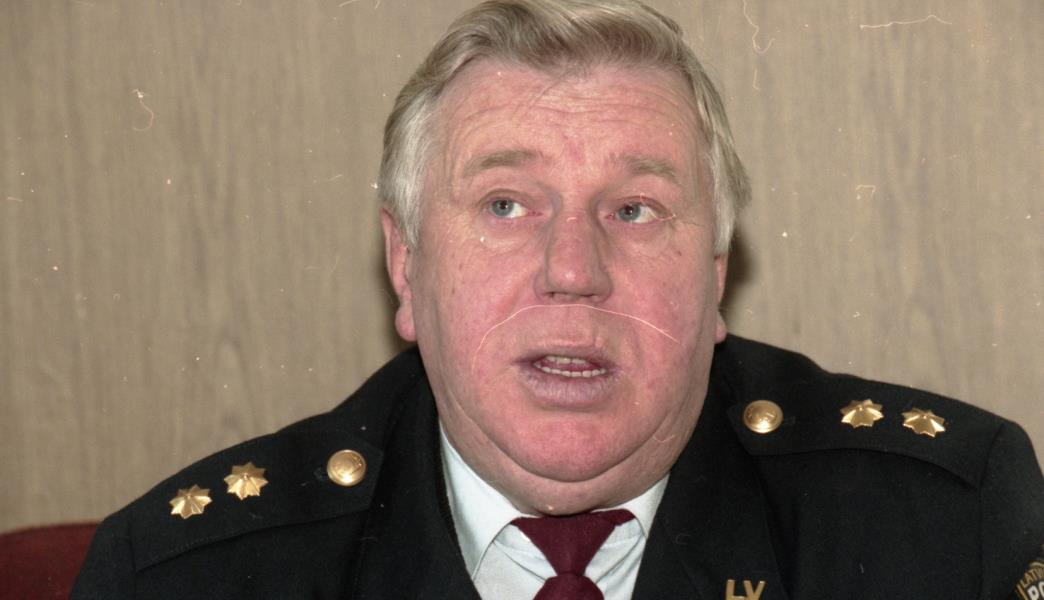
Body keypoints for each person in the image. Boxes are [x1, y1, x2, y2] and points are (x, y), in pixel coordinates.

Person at [73, 1, 1044, 598]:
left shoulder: (944, 532)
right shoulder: (185, 575)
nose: (573, 268)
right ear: (406, 263)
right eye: (506, 204)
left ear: (714, 274)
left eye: (633, 209)